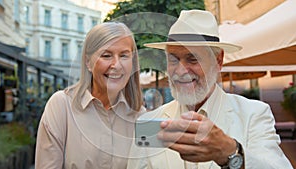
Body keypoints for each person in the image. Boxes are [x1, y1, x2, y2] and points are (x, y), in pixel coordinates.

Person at [127, 10, 293, 169]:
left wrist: (229, 151)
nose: (181, 71)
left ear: (218, 61)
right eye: (173, 59)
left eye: (192, 59)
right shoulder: (149, 123)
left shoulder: (253, 114)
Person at [35, 22, 145, 169]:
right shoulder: (61, 106)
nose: (116, 65)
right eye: (106, 55)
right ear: (88, 62)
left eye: (124, 55)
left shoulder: (141, 117)